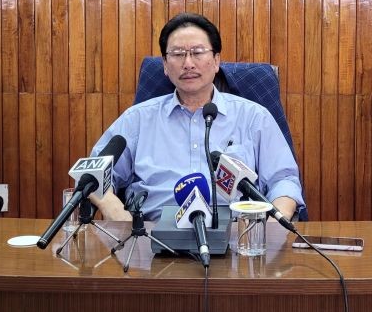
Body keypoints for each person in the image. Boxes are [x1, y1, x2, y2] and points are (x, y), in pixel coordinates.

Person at [90, 13, 305, 222]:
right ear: (165, 64)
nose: (188, 63)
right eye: (177, 54)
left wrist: (274, 225)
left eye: (198, 52)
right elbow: (93, 173)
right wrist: (118, 214)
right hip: (151, 239)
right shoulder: (137, 119)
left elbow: (283, 180)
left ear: (216, 60)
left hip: (237, 240)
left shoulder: (254, 117)